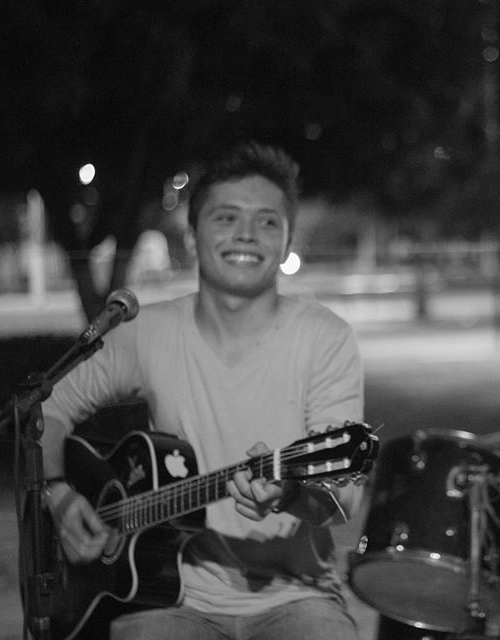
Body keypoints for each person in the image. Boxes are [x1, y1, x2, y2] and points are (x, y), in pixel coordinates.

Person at [40, 142, 366, 640]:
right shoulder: (148, 333)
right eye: (226, 217)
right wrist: (58, 493)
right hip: (164, 597)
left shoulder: (327, 339)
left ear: (286, 243)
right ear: (192, 237)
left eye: (267, 221)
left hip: (298, 596)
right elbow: (44, 410)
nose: (246, 234)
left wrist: (291, 494)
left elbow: (342, 498)